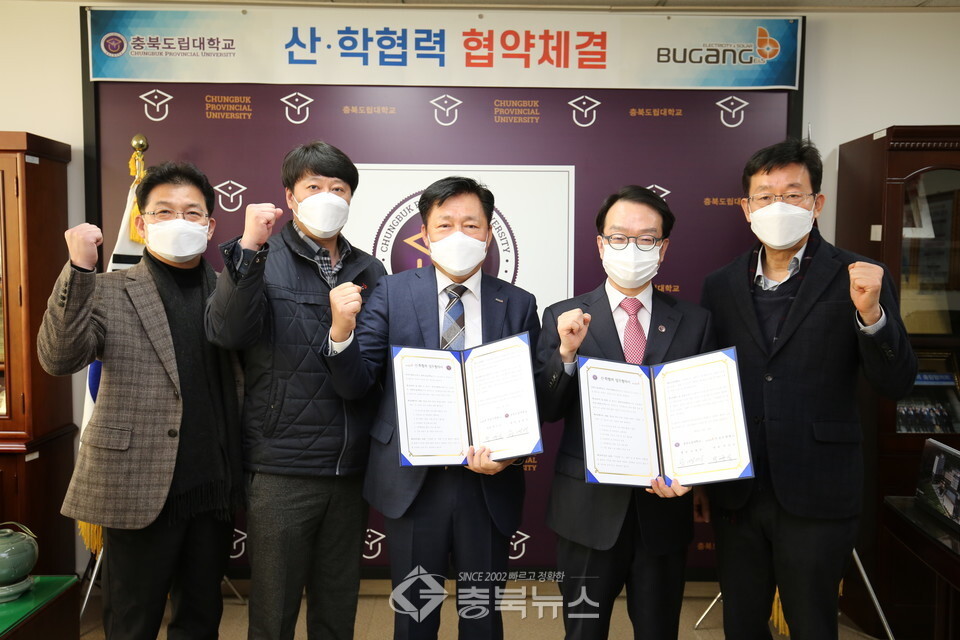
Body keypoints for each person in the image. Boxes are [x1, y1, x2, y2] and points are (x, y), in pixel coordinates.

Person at [700, 138, 917, 639]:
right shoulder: (720, 285)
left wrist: (871, 314)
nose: (778, 205)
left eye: (793, 194)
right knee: (742, 625)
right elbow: (708, 384)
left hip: (819, 489)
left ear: (817, 203)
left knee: (814, 624)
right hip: (739, 490)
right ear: (746, 208)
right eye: (764, 196)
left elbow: (896, 381)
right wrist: (702, 473)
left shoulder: (860, 277)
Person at [323, 176, 540, 640]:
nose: (458, 234)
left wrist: (510, 452)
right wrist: (341, 332)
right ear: (424, 233)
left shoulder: (519, 304)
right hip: (413, 482)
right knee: (414, 618)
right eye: (444, 224)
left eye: (471, 224)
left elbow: (530, 394)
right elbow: (356, 384)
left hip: (488, 481)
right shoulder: (391, 292)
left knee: (482, 617)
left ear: (489, 234)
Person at [37, 161, 243, 640]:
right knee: (132, 623)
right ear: (141, 223)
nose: (179, 221)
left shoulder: (231, 294)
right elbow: (58, 357)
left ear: (210, 226)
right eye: (163, 211)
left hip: (213, 487)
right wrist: (80, 269)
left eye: (192, 212)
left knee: (201, 621)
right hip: (136, 485)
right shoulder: (107, 289)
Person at [204, 141, 386, 640]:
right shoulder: (262, 258)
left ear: (350, 199)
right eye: (314, 186)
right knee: (273, 611)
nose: (327, 196)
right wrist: (248, 249)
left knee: (337, 609)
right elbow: (226, 332)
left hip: (350, 467)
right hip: (281, 467)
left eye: (338, 188)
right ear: (290, 196)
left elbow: (377, 366)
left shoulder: (370, 270)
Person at [534, 185, 713, 639]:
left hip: (663, 508)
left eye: (646, 238)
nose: (631, 248)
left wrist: (694, 474)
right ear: (600, 244)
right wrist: (566, 355)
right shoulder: (563, 316)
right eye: (618, 237)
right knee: (582, 632)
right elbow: (548, 410)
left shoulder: (695, 321)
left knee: (658, 631)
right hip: (586, 512)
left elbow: (704, 413)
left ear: (663, 248)